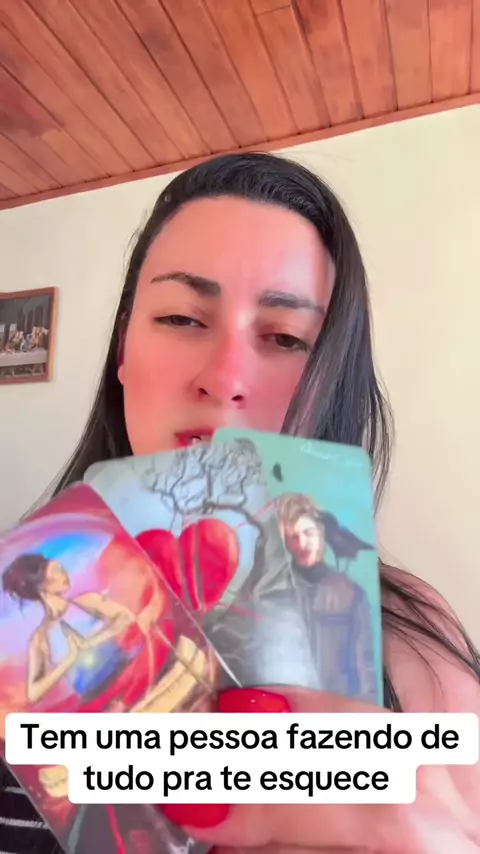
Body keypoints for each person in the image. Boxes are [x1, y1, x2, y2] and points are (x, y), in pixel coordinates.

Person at [1, 152, 479, 853]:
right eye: (181, 318)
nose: (225, 377)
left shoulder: (416, 647)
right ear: (124, 350)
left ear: (330, 378)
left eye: (285, 337)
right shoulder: (17, 635)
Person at [276, 492, 377, 701]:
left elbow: (365, 674)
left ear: (322, 532)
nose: (302, 544)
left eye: (308, 533)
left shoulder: (351, 595)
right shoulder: (274, 592)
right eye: (293, 537)